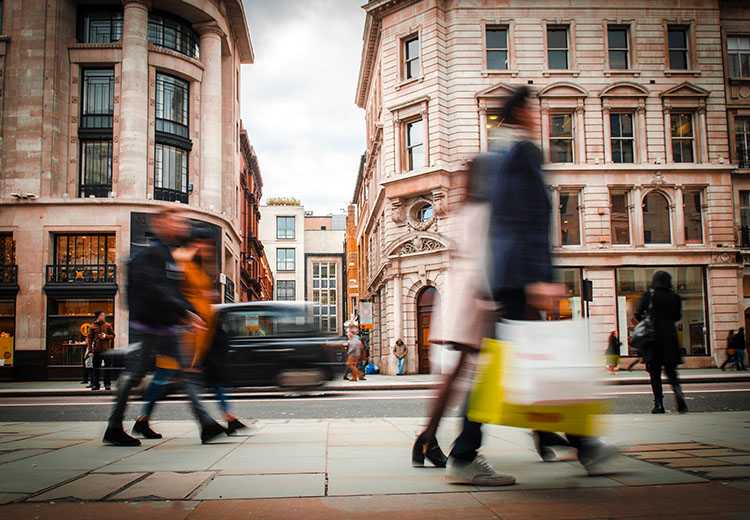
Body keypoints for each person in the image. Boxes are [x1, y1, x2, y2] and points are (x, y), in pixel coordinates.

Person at [445, 87, 614, 485]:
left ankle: (583, 444)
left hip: (505, 277)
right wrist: (540, 277)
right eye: (534, 109)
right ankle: (466, 455)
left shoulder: (497, 156)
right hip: (521, 278)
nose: (539, 116)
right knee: (515, 368)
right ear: (521, 112)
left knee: (524, 365)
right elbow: (527, 218)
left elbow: (500, 222)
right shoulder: (522, 154)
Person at [103, 207, 226, 446]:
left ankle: (206, 424)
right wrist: (187, 313)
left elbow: (173, 291)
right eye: (176, 221)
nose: (182, 225)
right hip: (152, 326)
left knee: (184, 374)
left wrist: (187, 312)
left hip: (166, 325)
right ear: (161, 224)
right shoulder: (154, 253)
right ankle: (115, 426)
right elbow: (158, 290)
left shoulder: (168, 253)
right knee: (139, 376)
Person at [133, 223, 249, 439]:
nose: (209, 250)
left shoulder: (197, 264)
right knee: (165, 378)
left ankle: (225, 419)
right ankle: (147, 420)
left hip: (202, 333)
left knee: (203, 376)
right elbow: (173, 294)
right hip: (182, 332)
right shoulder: (181, 260)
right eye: (206, 245)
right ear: (198, 243)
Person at [635, 271, 687, 414]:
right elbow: (677, 316)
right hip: (670, 338)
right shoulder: (675, 297)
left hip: (653, 339)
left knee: (655, 373)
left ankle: (659, 404)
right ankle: (678, 393)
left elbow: (637, 313)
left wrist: (648, 320)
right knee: (671, 372)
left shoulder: (649, 295)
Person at [88, 310, 114, 391]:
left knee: (107, 368)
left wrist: (106, 336)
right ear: (98, 316)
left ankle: (107, 384)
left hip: (107, 351)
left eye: (104, 315)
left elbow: (113, 335)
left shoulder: (108, 325)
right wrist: (90, 351)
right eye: (102, 315)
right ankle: (96, 385)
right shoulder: (92, 326)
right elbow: (89, 339)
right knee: (96, 369)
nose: (104, 317)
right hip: (96, 350)